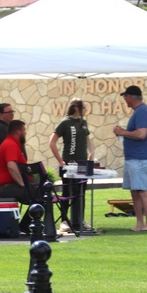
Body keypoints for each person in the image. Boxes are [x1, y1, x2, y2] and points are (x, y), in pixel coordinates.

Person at [113, 86, 147, 232]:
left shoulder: (142, 112)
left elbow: (141, 134)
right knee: (135, 192)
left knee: (142, 191)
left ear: (130, 97)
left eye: (125, 96)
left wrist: (122, 132)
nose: (124, 100)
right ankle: (139, 224)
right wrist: (123, 133)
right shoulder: (139, 112)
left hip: (140, 158)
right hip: (133, 158)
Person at [48, 98, 94, 234]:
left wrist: (92, 152)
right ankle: (64, 221)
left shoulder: (83, 123)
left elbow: (88, 139)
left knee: (81, 192)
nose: (85, 110)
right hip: (68, 163)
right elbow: (52, 142)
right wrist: (60, 161)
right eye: (83, 107)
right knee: (67, 192)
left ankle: (79, 220)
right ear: (76, 108)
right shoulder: (65, 123)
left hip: (82, 164)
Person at [0, 119, 48, 233]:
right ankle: (27, 225)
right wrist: (23, 185)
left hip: (9, 185)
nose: (25, 133)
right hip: (7, 187)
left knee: (40, 193)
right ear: (18, 131)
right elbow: (11, 166)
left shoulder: (12, 144)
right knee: (40, 195)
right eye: (24, 130)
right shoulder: (10, 144)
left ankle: (27, 224)